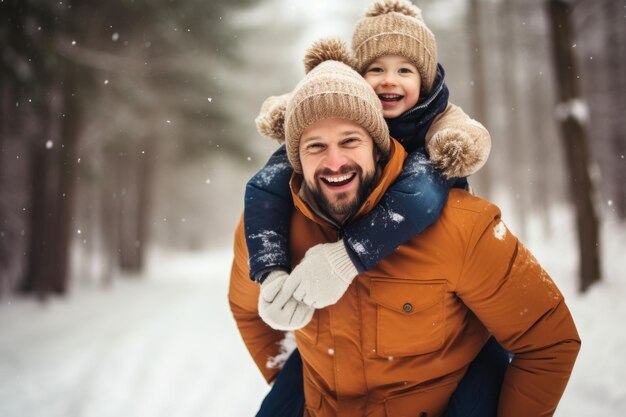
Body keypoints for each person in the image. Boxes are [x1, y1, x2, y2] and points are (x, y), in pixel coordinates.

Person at [229, 40, 580, 417]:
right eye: (315, 146)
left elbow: (548, 342)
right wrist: (292, 386)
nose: (334, 161)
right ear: (295, 159)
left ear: (378, 146)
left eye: (350, 141)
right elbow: (248, 310)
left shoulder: (463, 226)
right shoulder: (272, 235)